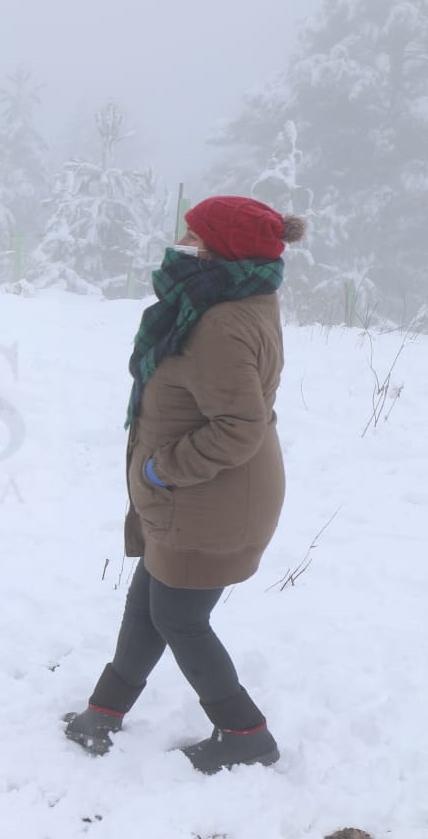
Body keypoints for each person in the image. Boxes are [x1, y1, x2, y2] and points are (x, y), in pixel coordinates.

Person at [62, 195, 307, 774]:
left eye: (193, 236)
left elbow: (239, 426)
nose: (181, 243)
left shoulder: (220, 321)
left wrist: (161, 468)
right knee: (150, 601)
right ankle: (105, 710)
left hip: (207, 498)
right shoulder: (233, 295)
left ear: (220, 249)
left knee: (178, 617)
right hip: (196, 497)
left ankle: (246, 734)